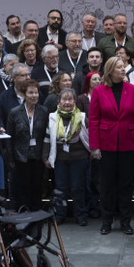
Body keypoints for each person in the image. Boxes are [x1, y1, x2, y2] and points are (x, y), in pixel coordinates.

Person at [89, 57, 134, 235]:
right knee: (106, 185)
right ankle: (106, 221)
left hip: (128, 143)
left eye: (123, 67)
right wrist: (95, 146)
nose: (123, 70)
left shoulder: (132, 90)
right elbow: (93, 120)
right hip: (106, 144)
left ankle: (125, 221)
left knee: (126, 184)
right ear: (110, 70)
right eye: (119, 67)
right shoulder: (99, 91)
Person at [43, 88, 90, 225]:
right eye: (64, 99)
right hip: (60, 159)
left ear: (75, 102)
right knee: (61, 189)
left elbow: (90, 137)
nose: (67, 102)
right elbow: (47, 138)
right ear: (59, 102)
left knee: (78, 188)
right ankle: (60, 215)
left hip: (79, 159)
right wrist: (45, 157)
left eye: (70, 99)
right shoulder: (52, 117)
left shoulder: (82, 117)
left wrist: (92, 152)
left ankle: (80, 215)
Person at [5, 79, 48, 211]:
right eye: (31, 93)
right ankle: (23, 213)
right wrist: (11, 158)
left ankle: (36, 213)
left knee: (36, 186)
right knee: (22, 187)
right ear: (24, 94)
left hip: (38, 155)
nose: (34, 95)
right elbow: (9, 137)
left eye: (36, 92)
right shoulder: (15, 112)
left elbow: (46, 135)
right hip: (20, 156)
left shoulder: (43, 111)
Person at [75, 71, 102, 218]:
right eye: (94, 79)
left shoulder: (104, 96)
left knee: (98, 178)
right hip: (85, 143)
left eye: (99, 79)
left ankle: (97, 206)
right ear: (88, 81)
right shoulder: (81, 99)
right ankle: (88, 206)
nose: (97, 81)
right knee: (87, 178)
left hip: (102, 141)